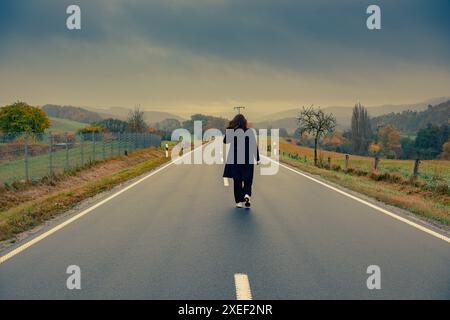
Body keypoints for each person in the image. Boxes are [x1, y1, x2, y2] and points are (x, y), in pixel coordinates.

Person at [223, 114, 260, 208]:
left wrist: (230, 129)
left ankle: (239, 202)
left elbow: (225, 141)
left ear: (234, 122)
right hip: (247, 159)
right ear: (244, 122)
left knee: (237, 181)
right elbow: (253, 145)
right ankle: (247, 194)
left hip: (235, 160)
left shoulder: (232, 131)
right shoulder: (249, 131)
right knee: (248, 179)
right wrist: (258, 158)